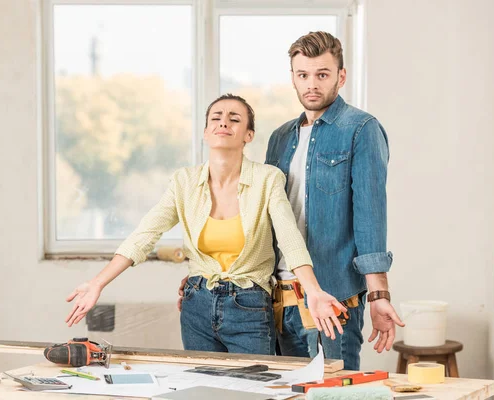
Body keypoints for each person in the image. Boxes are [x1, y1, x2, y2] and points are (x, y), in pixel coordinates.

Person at [65, 93, 346, 355]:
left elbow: (289, 237)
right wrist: (97, 283)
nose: (224, 121)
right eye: (216, 117)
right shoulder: (183, 182)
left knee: (254, 391)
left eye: (234, 118)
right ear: (205, 132)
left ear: (249, 135)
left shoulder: (268, 179)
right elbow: (144, 235)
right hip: (196, 304)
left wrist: (313, 290)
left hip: (249, 306)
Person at [265, 31, 404, 370]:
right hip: (277, 297)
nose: (312, 84)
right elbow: (263, 216)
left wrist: (379, 295)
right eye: (303, 75)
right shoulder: (280, 138)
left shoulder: (361, 129)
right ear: (293, 78)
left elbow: (370, 215)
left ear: (341, 77)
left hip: (335, 298)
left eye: (322, 74)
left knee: (334, 393)